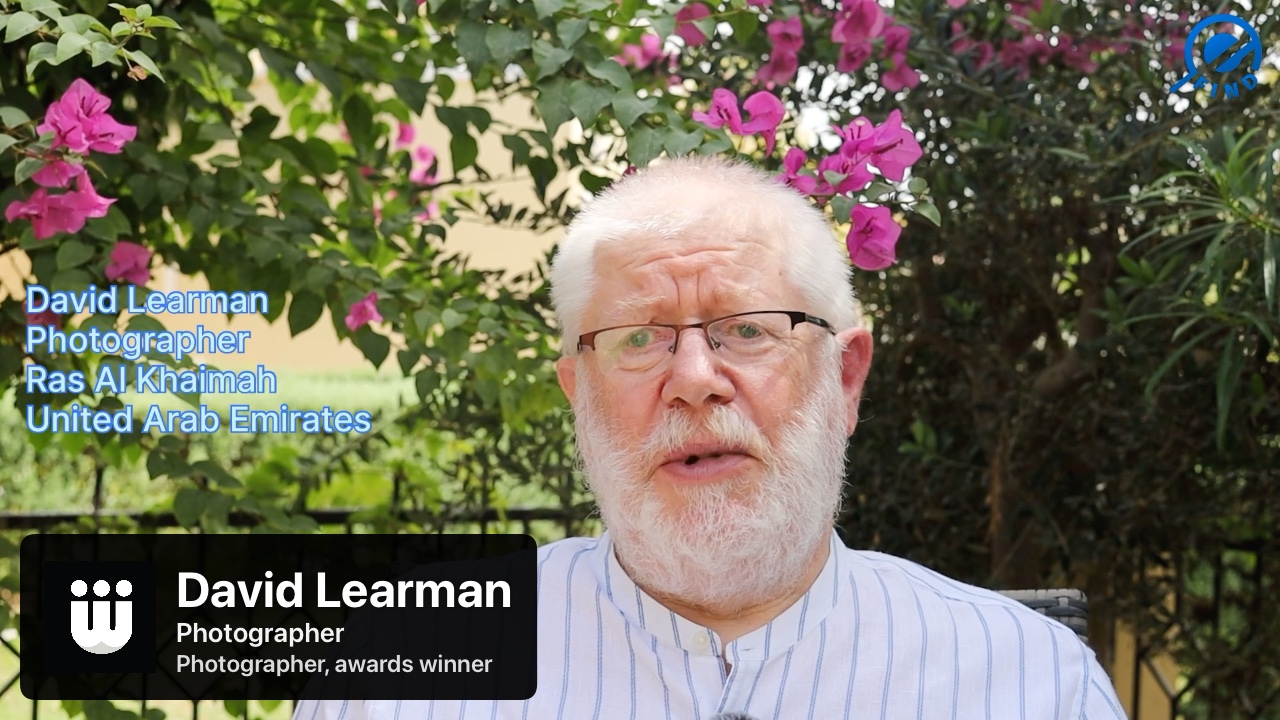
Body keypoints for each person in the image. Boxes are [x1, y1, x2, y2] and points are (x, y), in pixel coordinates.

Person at [295, 155, 1127, 719]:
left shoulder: (1029, 683)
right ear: (578, 394)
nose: (694, 378)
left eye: (749, 330)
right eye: (638, 338)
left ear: (844, 378)